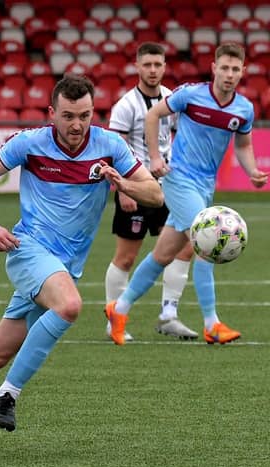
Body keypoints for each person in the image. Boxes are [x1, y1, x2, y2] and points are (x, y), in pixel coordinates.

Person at [0, 74, 163, 445]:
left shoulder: (110, 145)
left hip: (63, 268)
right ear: (52, 113)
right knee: (70, 306)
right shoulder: (31, 142)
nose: (77, 125)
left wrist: (123, 184)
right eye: (69, 116)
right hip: (28, 251)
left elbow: (154, 194)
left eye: (85, 115)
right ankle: (8, 394)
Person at [105, 42, 268, 346]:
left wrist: (251, 172)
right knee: (211, 240)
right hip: (179, 179)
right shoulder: (191, 95)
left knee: (162, 255)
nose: (230, 74)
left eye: (236, 69)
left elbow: (243, 146)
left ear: (243, 71)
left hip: (205, 185)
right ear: (214, 68)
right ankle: (212, 323)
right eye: (225, 68)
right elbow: (153, 115)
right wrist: (155, 158)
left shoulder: (243, 108)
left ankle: (120, 308)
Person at [104, 42, 197, 341]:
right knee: (127, 257)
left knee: (185, 248)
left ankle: (169, 315)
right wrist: (123, 190)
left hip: (169, 188)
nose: (153, 70)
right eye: (148, 65)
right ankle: (113, 318)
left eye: (158, 65)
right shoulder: (126, 105)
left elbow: (179, 138)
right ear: (138, 66)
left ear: (165, 67)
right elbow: (115, 149)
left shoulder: (171, 99)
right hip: (138, 188)